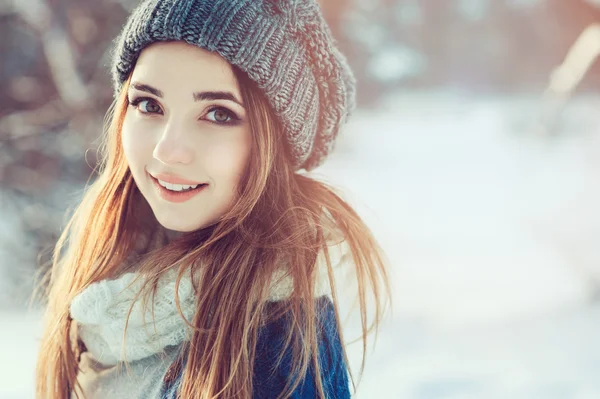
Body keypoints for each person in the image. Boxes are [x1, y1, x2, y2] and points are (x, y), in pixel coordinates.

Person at [34, 0, 391, 398]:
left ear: (272, 144)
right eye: (149, 105)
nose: (168, 150)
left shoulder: (273, 349)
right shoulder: (111, 255)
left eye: (218, 114)